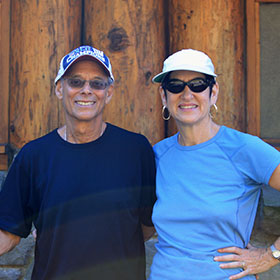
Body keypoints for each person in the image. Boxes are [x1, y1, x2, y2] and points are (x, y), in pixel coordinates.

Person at [0, 45, 156, 280]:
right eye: (75, 82)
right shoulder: (33, 156)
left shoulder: (135, 150)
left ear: (109, 92)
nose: (86, 90)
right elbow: (9, 233)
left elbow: (146, 226)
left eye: (97, 83)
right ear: (59, 89)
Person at [148, 49, 280, 280]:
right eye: (176, 85)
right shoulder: (157, 155)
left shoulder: (244, 148)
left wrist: (272, 255)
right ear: (163, 96)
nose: (187, 94)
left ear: (213, 92)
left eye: (198, 84)